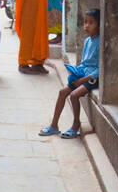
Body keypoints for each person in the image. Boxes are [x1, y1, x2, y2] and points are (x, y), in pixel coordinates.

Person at [39, 8, 99, 138]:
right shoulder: (88, 41)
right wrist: (76, 72)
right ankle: (54, 126)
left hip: (92, 78)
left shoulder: (100, 42)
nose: (87, 26)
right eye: (85, 22)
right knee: (62, 92)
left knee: (73, 95)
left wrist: (83, 80)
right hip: (83, 74)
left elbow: (99, 69)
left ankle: (76, 125)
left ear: (99, 25)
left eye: (91, 23)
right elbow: (84, 62)